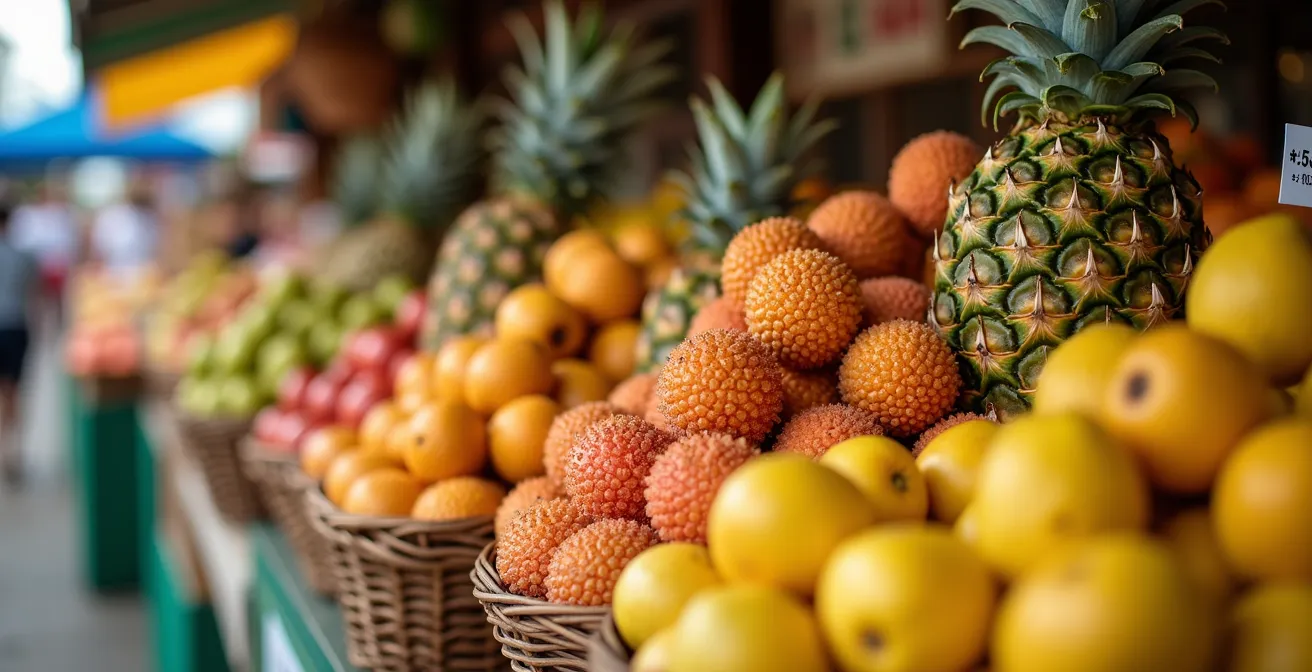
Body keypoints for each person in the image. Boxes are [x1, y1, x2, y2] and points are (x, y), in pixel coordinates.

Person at [0, 202, 38, 483]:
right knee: (13, 392)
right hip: (15, 326)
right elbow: (35, 294)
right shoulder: (23, 256)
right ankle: (12, 451)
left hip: (12, 324)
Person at [10, 183, 78, 327]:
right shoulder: (27, 214)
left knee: (57, 300)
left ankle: (58, 327)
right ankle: (40, 325)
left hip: (56, 265)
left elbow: (68, 241)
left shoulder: (59, 213)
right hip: (36, 264)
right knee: (38, 300)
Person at [91, 185, 160, 280]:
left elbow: (153, 254)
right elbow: (100, 252)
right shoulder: (109, 217)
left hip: (142, 276)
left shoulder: (150, 218)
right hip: (113, 275)